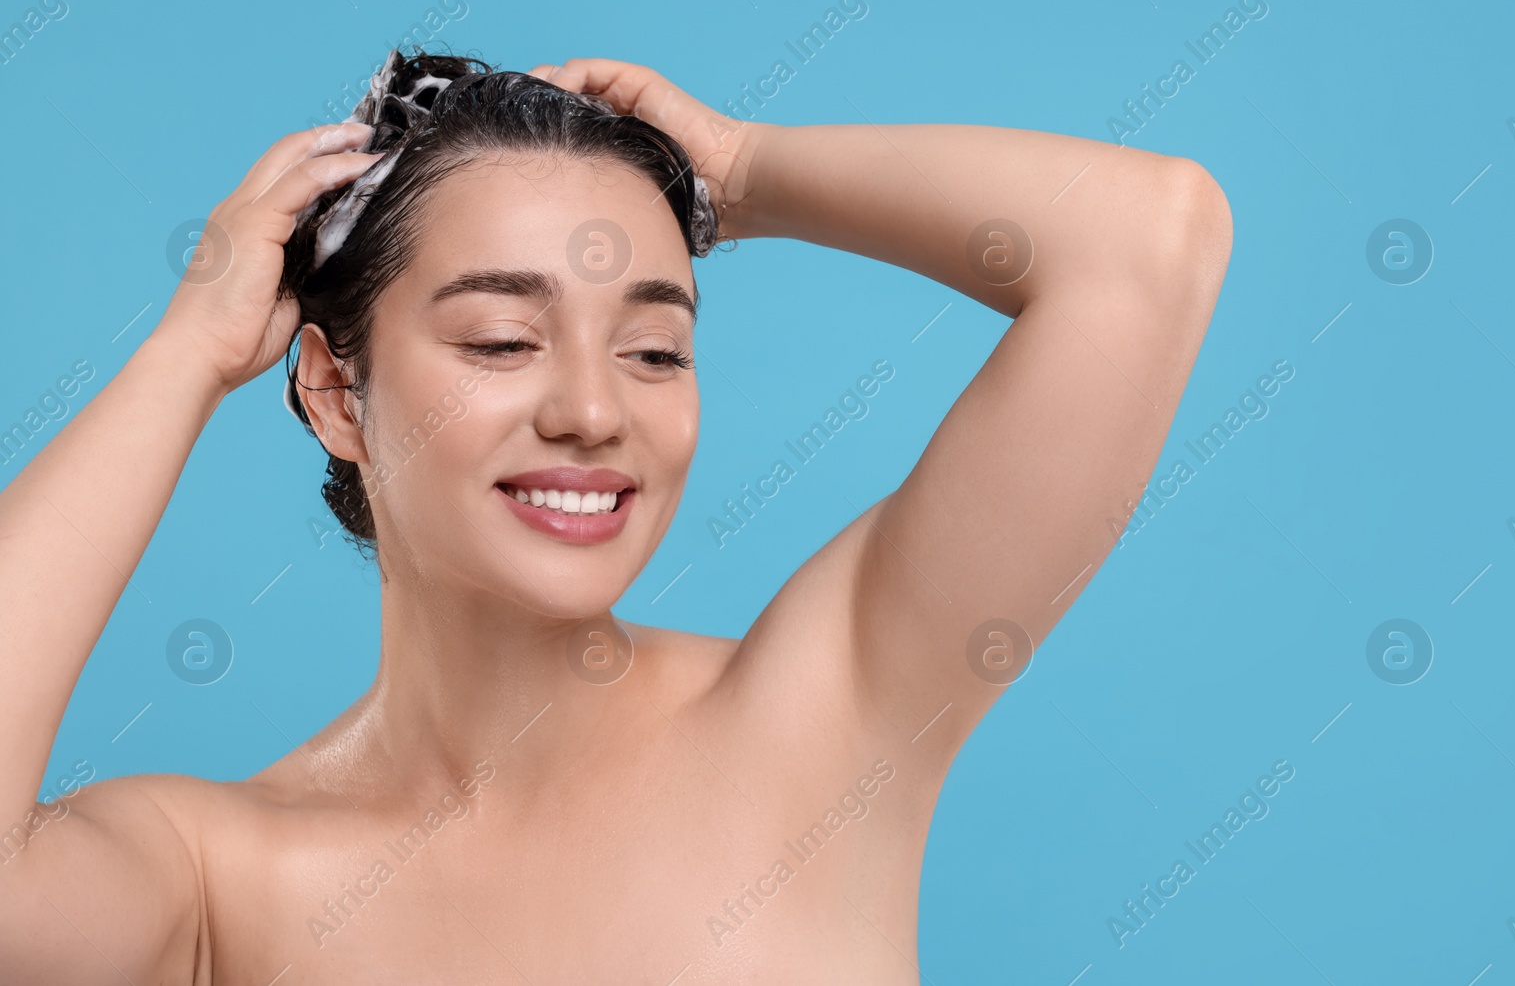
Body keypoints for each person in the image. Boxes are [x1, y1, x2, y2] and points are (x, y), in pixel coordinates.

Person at [0, 48, 1232, 983]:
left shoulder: (826, 716)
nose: (593, 409)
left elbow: (1142, 243)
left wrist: (745, 174)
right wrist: (186, 355)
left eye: (654, 348)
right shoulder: (223, 878)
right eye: (502, 338)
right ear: (333, 388)